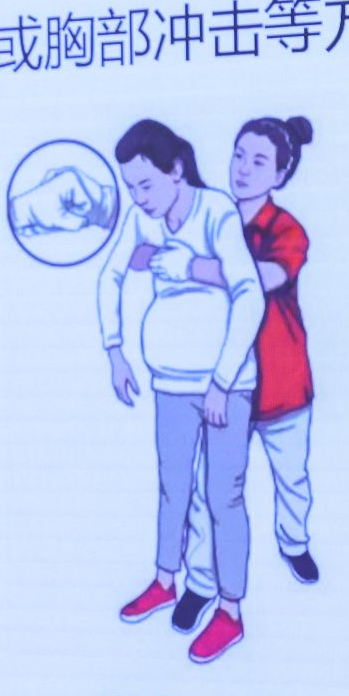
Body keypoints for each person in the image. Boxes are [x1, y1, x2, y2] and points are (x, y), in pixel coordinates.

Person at [98, 119, 265, 665]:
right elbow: (110, 276)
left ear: (176, 170)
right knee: (173, 489)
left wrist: (222, 381)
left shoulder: (216, 212)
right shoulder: (141, 218)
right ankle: (166, 580)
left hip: (225, 386)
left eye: (145, 185)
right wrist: (115, 349)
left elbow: (250, 295)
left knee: (224, 497)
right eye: (130, 187)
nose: (138, 198)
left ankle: (231, 610)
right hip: (170, 382)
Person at [176, 115, 319, 626]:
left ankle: (294, 542)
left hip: (281, 386)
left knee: (292, 478)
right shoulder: (212, 216)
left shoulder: (286, 230)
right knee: (208, 494)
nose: (242, 168)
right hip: (225, 385)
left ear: (280, 174)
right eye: (239, 155)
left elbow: (263, 279)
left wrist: (195, 268)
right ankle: (200, 583)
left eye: (259, 162)